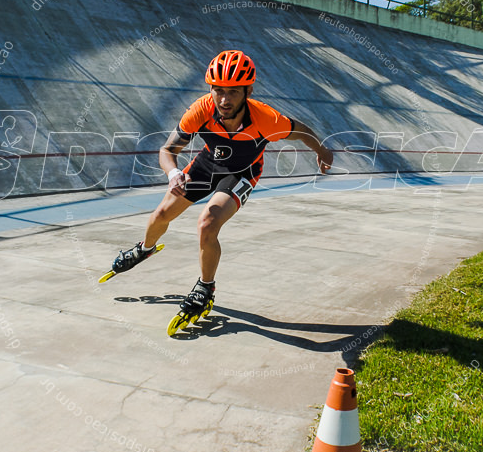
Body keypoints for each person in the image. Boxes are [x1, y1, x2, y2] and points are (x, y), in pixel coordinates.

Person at [106, 49, 333, 328]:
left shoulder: (265, 118)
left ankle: (205, 288)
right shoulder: (201, 109)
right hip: (208, 163)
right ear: (210, 89)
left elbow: (301, 131)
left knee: (207, 222)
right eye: (218, 91)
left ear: (248, 91)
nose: (224, 100)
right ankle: (145, 248)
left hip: (242, 172)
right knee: (161, 214)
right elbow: (167, 149)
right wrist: (174, 173)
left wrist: (321, 150)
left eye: (234, 92)